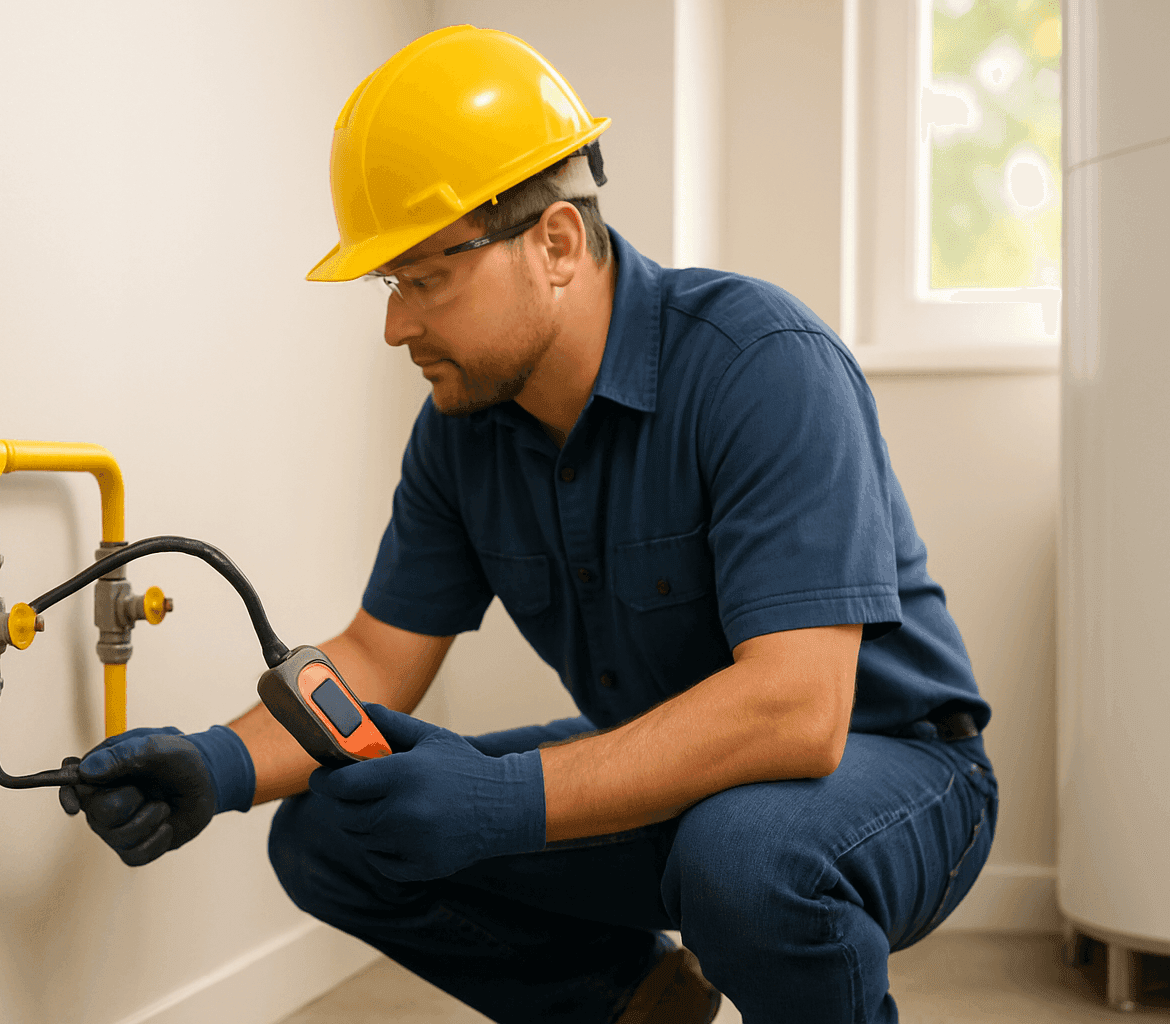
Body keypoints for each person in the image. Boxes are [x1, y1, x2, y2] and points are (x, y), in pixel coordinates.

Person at [60, 26, 998, 1024]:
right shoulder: (464, 430)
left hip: (890, 767)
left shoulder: (760, 364)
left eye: (426, 279)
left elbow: (795, 711)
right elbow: (378, 654)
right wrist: (217, 764)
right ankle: (641, 1008)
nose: (396, 326)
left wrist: (495, 804)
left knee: (744, 855)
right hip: (673, 762)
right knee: (337, 827)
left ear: (554, 242)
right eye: (391, 285)